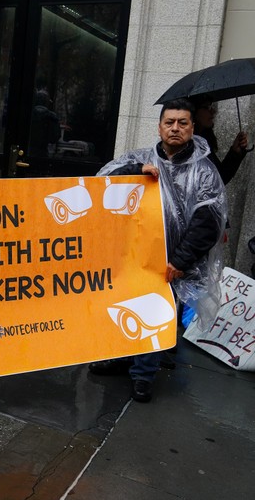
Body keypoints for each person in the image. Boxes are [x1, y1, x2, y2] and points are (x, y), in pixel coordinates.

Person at [88, 98, 226, 403]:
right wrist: (137, 170)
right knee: (126, 309)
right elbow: (104, 180)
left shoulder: (204, 171)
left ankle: (143, 376)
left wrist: (180, 259)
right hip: (135, 254)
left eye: (182, 123)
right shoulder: (143, 158)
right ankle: (122, 360)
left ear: (192, 128)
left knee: (155, 314)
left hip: (172, 262)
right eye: (169, 122)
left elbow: (208, 222)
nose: (175, 128)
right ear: (160, 126)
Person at [191, 94, 250, 185]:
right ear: (193, 111)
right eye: (207, 107)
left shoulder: (202, 141)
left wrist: (235, 152)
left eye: (211, 106)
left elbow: (219, 179)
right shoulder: (186, 147)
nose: (213, 111)